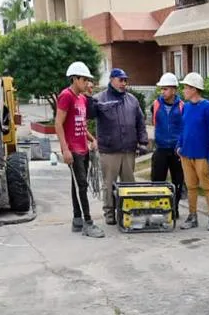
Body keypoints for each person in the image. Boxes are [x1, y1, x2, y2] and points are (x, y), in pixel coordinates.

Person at [93, 68, 149, 225]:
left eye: (126, 80)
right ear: (112, 80)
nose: (124, 83)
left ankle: (128, 210)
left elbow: (140, 122)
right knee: (109, 183)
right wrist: (88, 99)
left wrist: (143, 142)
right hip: (109, 150)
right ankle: (109, 212)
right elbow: (89, 114)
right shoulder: (100, 98)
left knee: (129, 183)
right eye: (121, 80)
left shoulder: (132, 100)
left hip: (128, 149)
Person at [55, 61, 104, 238]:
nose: (87, 83)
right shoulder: (66, 96)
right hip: (72, 149)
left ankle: (77, 219)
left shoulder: (82, 98)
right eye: (84, 80)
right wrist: (65, 149)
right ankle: (88, 222)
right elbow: (58, 124)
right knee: (81, 184)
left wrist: (92, 139)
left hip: (83, 147)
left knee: (77, 184)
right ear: (75, 79)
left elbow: (81, 125)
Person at [175, 72, 209, 230]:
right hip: (186, 154)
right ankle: (192, 216)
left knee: (207, 187)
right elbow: (182, 128)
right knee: (191, 186)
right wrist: (179, 145)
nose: (184, 91)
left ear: (194, 89)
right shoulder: (186, 107)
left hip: (202, 155)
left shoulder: (208, 107)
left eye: (186, 87)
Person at [150, 72, 186, 218]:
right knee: (157, 180)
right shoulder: (156, 104)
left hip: (176, 150)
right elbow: (154, 123)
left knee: (178, 181)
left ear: (174, 90)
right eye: (161, 89)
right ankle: (158, 208)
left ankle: (174, 208)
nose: (162, 92)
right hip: (161, 148)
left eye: (165, 89)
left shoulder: (183, 106)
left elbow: (184, 127)